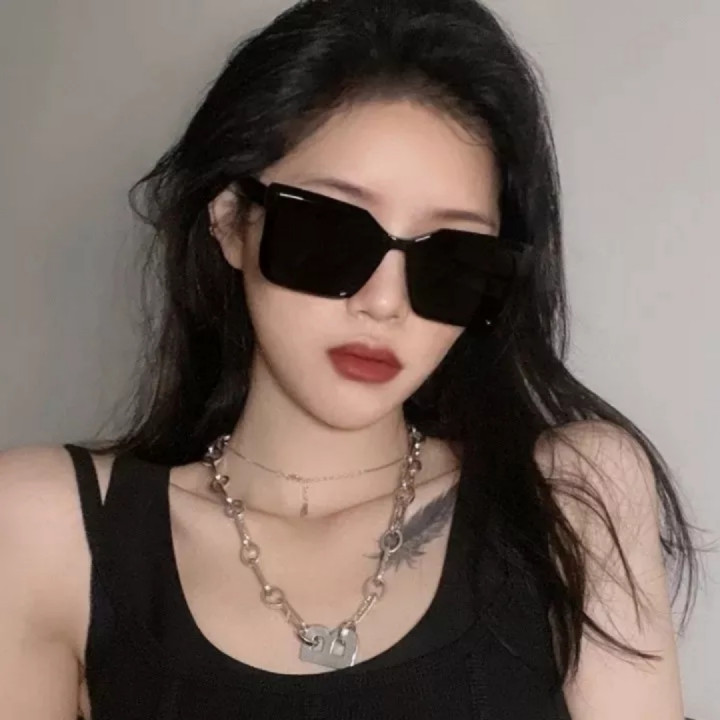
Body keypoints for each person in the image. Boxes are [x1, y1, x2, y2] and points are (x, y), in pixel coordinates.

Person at [0, 0, 699, 718]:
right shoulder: (48, 529)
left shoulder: (573, 497)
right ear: (232, 220)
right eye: (330, 233)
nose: (384, 302)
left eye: (451, 259)